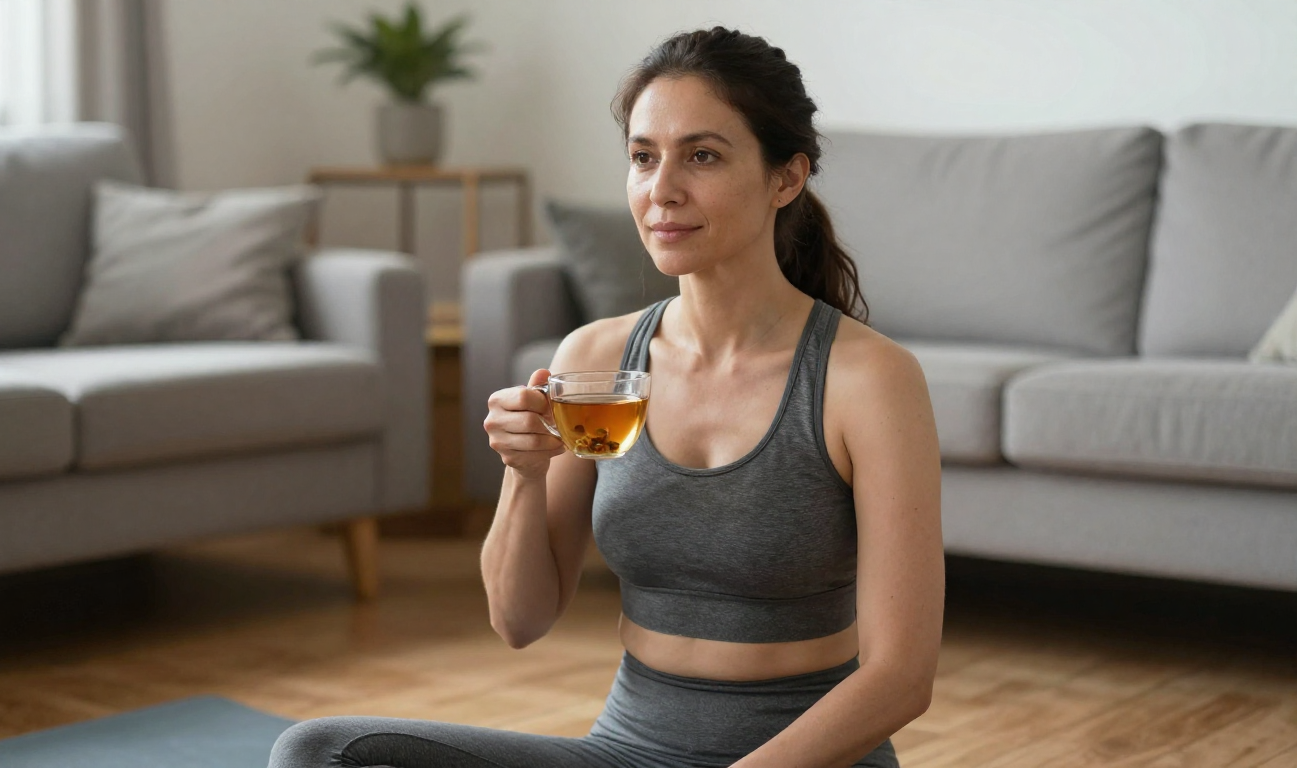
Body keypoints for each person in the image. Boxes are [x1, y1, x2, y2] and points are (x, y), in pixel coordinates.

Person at [269, 26, 943, 768]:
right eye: (643, 157)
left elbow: (901, 680)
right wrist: (523, 474)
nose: (662, 191)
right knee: (322, 752)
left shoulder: (867, 380)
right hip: (627, 750)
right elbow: (520, 621)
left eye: (703, 156)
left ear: (786, 178)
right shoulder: (593, 359)